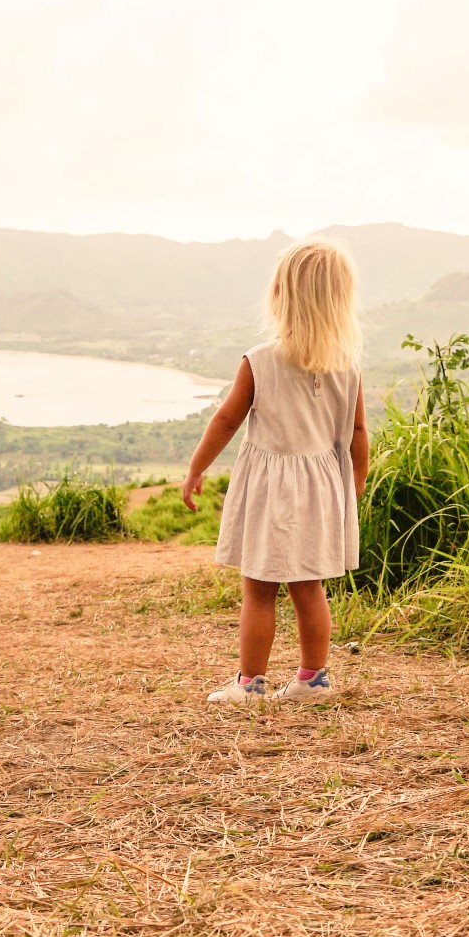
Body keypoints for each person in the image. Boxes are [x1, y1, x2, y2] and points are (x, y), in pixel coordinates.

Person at [181, 238, 369, 703]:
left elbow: (227, 419)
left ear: (281, 295)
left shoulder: (260, 360)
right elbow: (359, 432)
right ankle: (313, 680)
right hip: (323, 486)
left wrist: (196, 468)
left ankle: (250, 684)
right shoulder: (348, 366)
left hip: (271, 488)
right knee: (310, 587)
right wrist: (355, 485)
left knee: (260, 588)